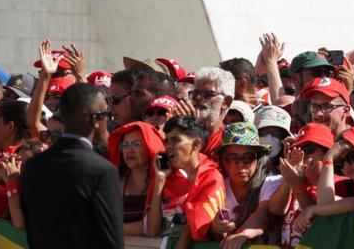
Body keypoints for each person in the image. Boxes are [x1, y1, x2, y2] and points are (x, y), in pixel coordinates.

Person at [21, 83, 123, 249]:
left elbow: (31, 229)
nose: (108, 119)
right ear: (96, 119)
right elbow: (113, 241)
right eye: (106, 114)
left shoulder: (34, 165)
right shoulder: (102, 170)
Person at [148, 115, 224, 244]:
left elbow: (195, 227)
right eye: (167, 141)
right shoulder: (165, 177)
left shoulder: (212, 177)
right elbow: (153, 230)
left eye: (175, 140)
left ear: (196, 144)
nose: (168, 146)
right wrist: (160, 181)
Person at [207, 122, 283, 245]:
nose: (240, 164)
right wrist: (215, 229)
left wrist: (241, 235)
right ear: (223, 160)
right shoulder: (218, 186)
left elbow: (263, 215)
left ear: (258, 159)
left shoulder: (272, 182)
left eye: (248, 157)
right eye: (232, 157)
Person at [108, 120, 164, 236]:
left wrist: (113, 229)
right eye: (125, 145)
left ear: (150, 148)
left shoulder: (164, 182)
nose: (129, 150)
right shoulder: (115, 183)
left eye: (136, 144)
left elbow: (152, 228)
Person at [187, 66, 234, 156]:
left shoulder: (229, 142)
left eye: (207, 94)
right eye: (195, 93)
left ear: (226, 102)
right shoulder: (183, 134)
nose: (198, 98)